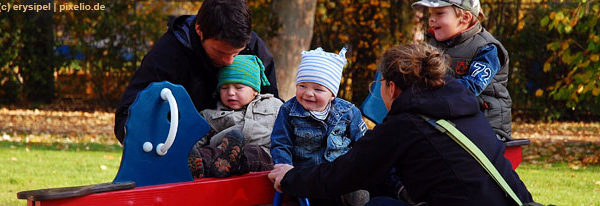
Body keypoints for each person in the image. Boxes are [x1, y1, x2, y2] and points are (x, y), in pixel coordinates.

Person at [268, 43, 534, 205]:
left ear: (392, 87)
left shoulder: (404, 125)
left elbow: (344, 174)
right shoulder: (464, 109)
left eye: (379, 85)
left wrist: (290, 177)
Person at [114, 0, 278, 144]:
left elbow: (271, 106)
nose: (229, 62)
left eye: (236, 54)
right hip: (180, 148)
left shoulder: (253, 47)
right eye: (220, 52)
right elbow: (127, 118)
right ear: (199, 30)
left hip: (245, 149)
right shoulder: (167, 56)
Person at [270, 47, 369, 205]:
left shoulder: (348, 112)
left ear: (332, 94)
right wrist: (284, 166)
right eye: (302, 86)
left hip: (338, 175)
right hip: (307, 177)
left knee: (349, 184)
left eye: (318, 89)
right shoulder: (288, 111)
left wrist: (361, 167)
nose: (308, 93)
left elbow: (363, 143)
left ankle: (352, 193)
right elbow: (281, 143)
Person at [412, 0, 513, 142]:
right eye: (430, 14)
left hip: (486, 126)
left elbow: (471, 88)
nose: (432, 19)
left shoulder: (488, 49)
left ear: (465, 18)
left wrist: (431, 90)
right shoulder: (432, 47)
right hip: (450, 122)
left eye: (439, 13)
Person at [187, 55, 282, 178]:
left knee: (254, 154)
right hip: (222, 155)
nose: (231, 93)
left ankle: (234, 164)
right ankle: (198, 167)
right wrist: (189, 150)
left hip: (262, 154)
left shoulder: (274, 105)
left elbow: (288, 129)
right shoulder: (211, 114)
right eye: (224, 88)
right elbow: (197, 138)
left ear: (255, 90)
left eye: (239, 87)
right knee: (209, 152)